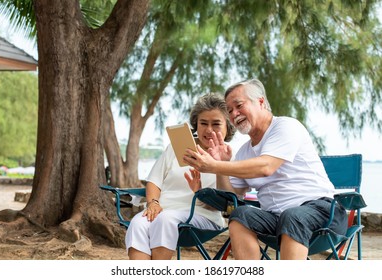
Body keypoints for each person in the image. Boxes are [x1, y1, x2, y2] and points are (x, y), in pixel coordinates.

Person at [183, 78, 348, 260]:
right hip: (276, 220)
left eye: (239, 105)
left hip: (323, 212)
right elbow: (231, 196)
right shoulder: (245, 151)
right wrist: (221, 167)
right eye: (229, 111)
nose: (234, 114)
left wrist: (216, 165)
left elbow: (266, 166)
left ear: (260, 102)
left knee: (292, 216)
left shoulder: (286, 126)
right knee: (240, 214)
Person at [125, 92, 236, 260]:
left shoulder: (231, 156)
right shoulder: (177, 147)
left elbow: (227, 203)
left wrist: (201, 190)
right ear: (195, 124)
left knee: (165, 220)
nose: (209, 130)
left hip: (203, 216)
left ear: (227, 126)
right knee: (138, 223)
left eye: (216, 124)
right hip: (163, 210)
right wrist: (153, 203)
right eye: (203, 123)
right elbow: (154, 181)